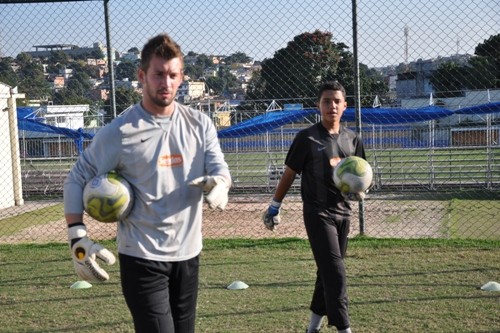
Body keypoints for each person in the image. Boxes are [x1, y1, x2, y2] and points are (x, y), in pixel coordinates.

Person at [64, 33, 231, 333]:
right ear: (142, 75)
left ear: (181, 78)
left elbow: (219, 166)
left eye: (172, 75)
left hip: (188, 255)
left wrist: (221, 183)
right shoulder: (120, 132)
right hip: (141, 258)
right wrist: (77, 238)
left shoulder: (200, 124)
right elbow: (77, 178)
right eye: (158, 74)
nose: (165, 82)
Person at [263, 81, 366, 333]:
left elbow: (362, 176)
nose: (332, 105)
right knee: (336, 273)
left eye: (336, 101)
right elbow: (289, 174)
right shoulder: (306, 138)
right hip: (317, 214)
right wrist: (274, 206)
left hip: (343, 213)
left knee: (327, 272)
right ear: (318, 106)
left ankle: (312, 329)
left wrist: (359, 191)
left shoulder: (353, 139)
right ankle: (344, 329)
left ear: (345, 106)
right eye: (326, 101)